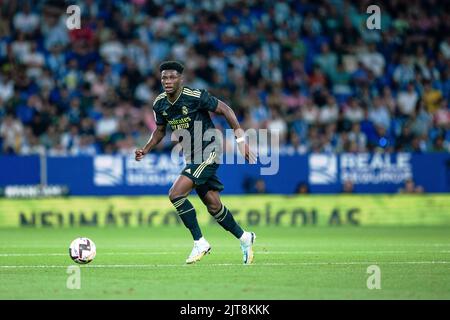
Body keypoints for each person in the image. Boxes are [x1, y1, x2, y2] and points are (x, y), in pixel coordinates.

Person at [135, 61, 257, 264]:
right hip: (192, 156)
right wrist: (145, 149)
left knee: (175, 194)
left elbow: (226, 110)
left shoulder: (195, 96)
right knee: (213, 205)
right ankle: (245, 238)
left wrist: (241, 140)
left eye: (172, 77)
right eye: (164, 77)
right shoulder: (159, 104)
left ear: (181, 79)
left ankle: (200, 241)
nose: (168, 81)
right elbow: (160, 131)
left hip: (210, 149)